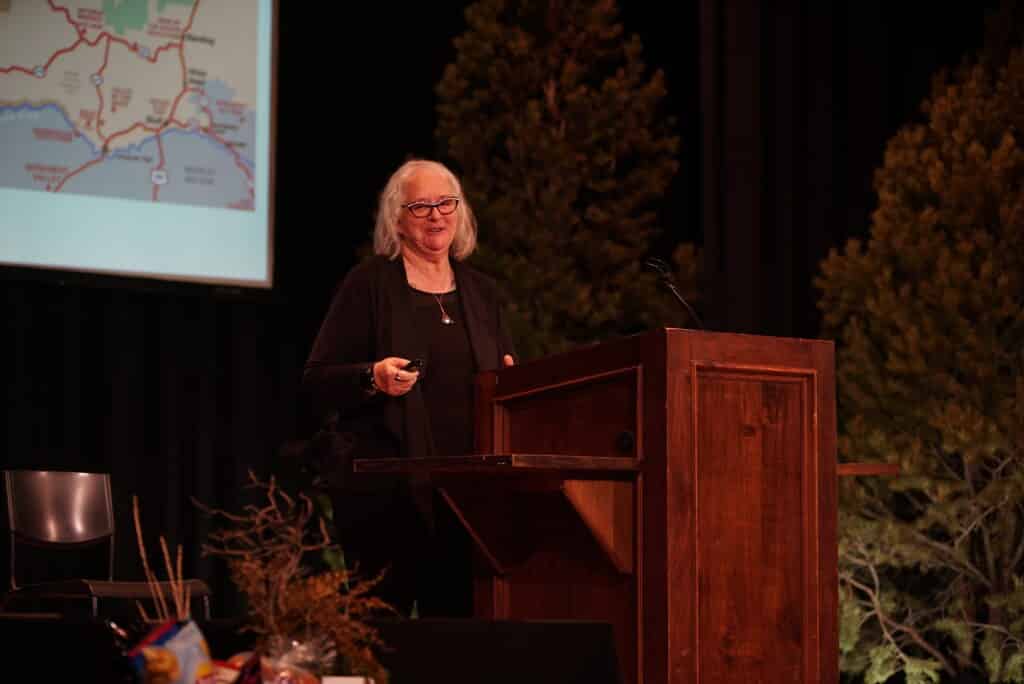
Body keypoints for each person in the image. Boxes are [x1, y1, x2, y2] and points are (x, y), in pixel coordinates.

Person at [302, 159, 516, 617]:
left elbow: (503, 377)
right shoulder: (369, 284)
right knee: (383, 637)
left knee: (455, 643)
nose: (436, 215)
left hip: (464, 503)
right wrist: (371, 377)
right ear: (397, 219)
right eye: (420, 206)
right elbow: (317, 379)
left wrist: (513, 383)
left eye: (445, 203)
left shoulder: (483, 294)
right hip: (386, 500)